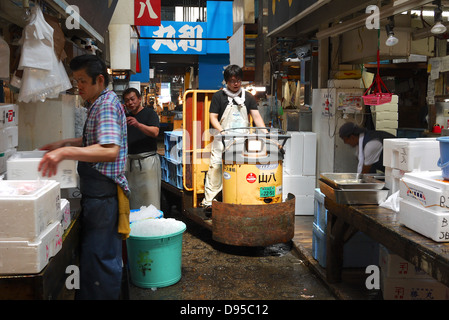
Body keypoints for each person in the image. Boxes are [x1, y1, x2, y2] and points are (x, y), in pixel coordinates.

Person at [38, 54, 129, 300]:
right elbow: (97, 141)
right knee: (94, 257)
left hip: (104, 198)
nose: (78, 86)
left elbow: (110, 150)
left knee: (100, 260)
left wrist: (66, 152)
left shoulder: (107, 105)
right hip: (97, 196)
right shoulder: (98, 103)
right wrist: (66, 142)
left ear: (100, 80)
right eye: (76, 80)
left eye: (82, 81)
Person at [200, 64, 267, 214]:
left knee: (242, 170)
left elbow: (256, 117)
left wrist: (266, 135)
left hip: (242, 142)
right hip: (222, 139)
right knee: (216, 167)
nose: (235, 84)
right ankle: (210, 202)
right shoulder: (219, 96)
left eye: (238, 81)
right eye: (232, 81)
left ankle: (241, 198)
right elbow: (213, 117)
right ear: (226, 81)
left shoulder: (248, 97)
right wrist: (222, 131)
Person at [122, 87, 161, 210]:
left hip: (148, 161)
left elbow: (155, 132)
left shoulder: (150, 113)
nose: (130, 103)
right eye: (127, 100)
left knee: (150, 197)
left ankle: (153, 224)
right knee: (133, 197)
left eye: (132, 99)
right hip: (131, 162)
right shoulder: (125, 117)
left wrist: (138, 124)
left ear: (139, 99)